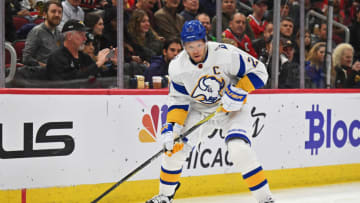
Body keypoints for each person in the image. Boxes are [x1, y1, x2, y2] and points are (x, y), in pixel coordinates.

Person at [146, 20, 274, 203]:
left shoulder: (225, 54)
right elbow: (179, 101)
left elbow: (261, 72)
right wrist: (171, 128)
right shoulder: (177, 67)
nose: (196, 50)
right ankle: (165, 196)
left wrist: (239, 90)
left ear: (205, 41)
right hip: (200, 110)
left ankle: (265, 199)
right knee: (174, 151)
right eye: (190, 46)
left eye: (199, 45)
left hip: (232, 109)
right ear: (184, 46)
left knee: (239, 149)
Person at [46, 19, 112, 81]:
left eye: (85, 35)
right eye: (81, 34)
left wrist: (115, 66)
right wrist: (97, 64)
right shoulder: (57, 58)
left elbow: (101, 76)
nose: (85, 39)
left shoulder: (85, 57)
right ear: (69, 36)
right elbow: (70, 81)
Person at [22, 0, 63, 67]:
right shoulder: (37, 32)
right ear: (45, 14)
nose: (57, 15)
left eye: (60, 12)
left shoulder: (59, 34)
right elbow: (26, 58)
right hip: (39, 73)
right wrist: (45, 66)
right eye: (53, 11)